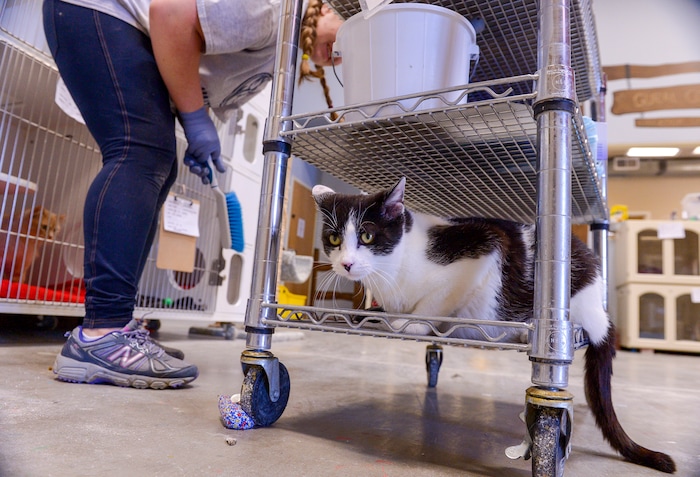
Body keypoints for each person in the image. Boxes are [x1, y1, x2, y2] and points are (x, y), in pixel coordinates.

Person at [43, 0, 344, 389]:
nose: (339, 58)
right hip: (97, 10)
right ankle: (102, 333)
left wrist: (200, 126)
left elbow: (197, 66)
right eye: (346, 42)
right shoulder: (274, 12)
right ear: (332, 7)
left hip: (110, 23)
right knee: (140, 151)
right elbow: (171, 15)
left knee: (157, 162)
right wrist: (195, 118)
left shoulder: (280, 48)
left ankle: (113, 325)